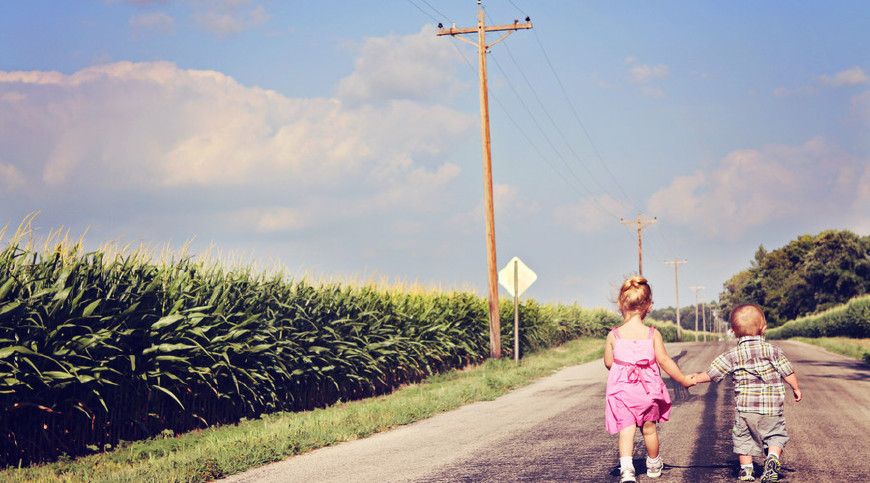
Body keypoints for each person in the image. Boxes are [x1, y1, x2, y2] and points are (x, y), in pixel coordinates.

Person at [691, 304, 802, 483]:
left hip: (746, 409)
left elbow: (712, 373)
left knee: (744, 439)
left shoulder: (732, 355)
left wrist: (695, 379)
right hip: (773, 408)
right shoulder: (774, 351)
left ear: (733, 332)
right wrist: (795, 388)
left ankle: (746, 471)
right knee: (775, 435)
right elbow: (787, 372)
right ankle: (772, 458)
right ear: (764, 328)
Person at [605, 276, 695, 482]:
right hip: (647, 391)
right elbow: (664, 360)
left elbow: (609, 362)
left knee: (626, 431)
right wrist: (683, 379)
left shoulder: (614, 335)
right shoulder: (653, 334)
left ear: (620, 304)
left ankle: (627, 469)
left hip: (622, 391)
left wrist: (624, 368)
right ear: (649, 306)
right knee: (649, 429)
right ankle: (653, 464)